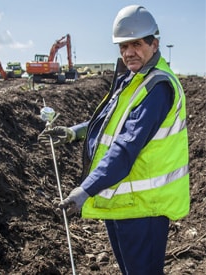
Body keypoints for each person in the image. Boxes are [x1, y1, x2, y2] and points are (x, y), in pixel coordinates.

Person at [38, 5, 190, 275]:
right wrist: (75, 131)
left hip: (145, 209)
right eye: (123, 46)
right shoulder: (134, 79)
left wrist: (85, 190)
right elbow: (110, 122)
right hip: (123, 202)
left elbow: (125, 146)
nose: (128, 52)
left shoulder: (157, 88)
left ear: (154, 44)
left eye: (136, 44)